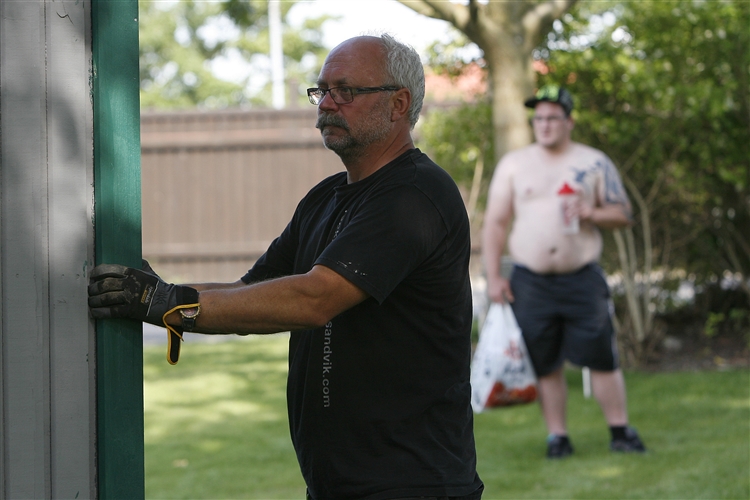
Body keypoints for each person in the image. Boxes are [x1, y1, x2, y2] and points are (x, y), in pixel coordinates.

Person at [88, 34, 484, 499]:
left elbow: (315, 299)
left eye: (347, 91)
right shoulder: (324, 199)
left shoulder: (414, 197)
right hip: (341, 484)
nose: (328, 104)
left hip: (415, 484)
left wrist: (170, 305)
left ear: (399, 103)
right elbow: (252, 289)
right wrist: (156, 290)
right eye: (322, 91)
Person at [481, 85, 646, 459]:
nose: (544, 124)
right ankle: (558, 437)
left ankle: (620, 430)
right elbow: (495, 223)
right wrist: (494, 276)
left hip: (581, 277)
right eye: (538, 118)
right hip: (530, 280)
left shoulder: (594, 162)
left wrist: (592, 213)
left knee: (602, 356)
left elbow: (623, 214)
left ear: (569, 122)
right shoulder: (515, 164)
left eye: (553, 117)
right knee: (545, 361)